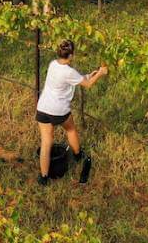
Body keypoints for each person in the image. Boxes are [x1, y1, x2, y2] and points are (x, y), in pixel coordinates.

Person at [36, 39, 107, 185]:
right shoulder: (69, 71)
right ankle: (77, 155)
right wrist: (100, 73)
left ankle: (43, 178)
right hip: (59, 110)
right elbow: (87, 85)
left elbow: (76, 80)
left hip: (43, 107)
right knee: (70, 129)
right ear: (72, 55)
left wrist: (88, 75)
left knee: (46, 142)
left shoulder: (52, 64)